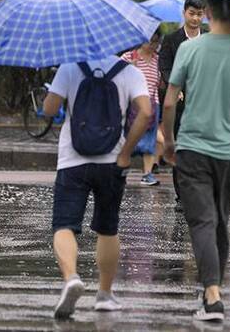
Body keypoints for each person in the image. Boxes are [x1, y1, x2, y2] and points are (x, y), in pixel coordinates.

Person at [162, 0, 230, 322]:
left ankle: (212, 295)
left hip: (193, 146)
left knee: (202, 222)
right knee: (220, 220)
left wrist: (169, 142)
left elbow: (168, 102)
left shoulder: (189, 49)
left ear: (207, 13)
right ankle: (212, 293)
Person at [43, 56, 151, 319]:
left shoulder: (69, 67)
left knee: (64, 224)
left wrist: (53, 95)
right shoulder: (130, 72)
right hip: (112, 160)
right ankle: (104, 294)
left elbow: (49, 109)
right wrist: (126, 152)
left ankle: (71, 278)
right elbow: (146, 112)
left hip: (72, 160)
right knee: (108, 227)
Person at [159, 0, 206, 209]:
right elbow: (165, 66)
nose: (195, 18)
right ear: (184, 13)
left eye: (199, 14)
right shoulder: (171, 40)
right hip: (180, 105)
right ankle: (182, 196)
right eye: (191, 13)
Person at [121, 27, 163, 186]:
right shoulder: (128, 57)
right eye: (150, 41)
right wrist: (128, 68)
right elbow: (115, 78)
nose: (152, 45)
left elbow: (160, 83)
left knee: (150, 142)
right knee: (127, 140)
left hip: (153, 104)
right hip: (131, 105)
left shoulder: (158, 60)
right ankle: (122, 171)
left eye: (156, 42)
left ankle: (147, 174)